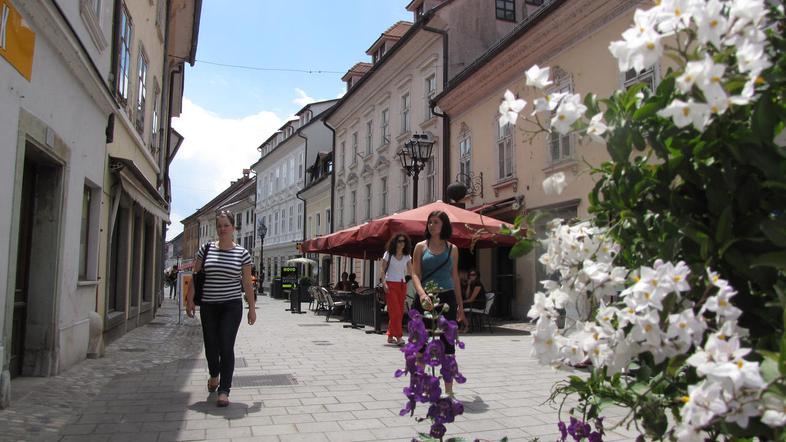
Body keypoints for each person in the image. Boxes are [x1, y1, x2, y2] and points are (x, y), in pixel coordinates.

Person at [186, 210, 256, 408]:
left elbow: (247, 283)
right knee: (211, 345)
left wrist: (251, 308)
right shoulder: (206, 249)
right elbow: (196, 276)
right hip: (208, 305)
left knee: (226, 344)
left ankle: (224, 390)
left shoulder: (242, 253)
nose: (222, 229)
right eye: (219, 226)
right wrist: (189, 300)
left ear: (233, 228)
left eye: (226, 225)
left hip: (231, 306)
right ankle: (214, 374)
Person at [412, 210, 465, 396]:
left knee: (448, 345)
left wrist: (460, 305)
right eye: (430, 222)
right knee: (421, 344)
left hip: (447, 299)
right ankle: (421, 386)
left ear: (444, 225)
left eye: (436, 222)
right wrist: (422, 294)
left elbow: (454, 277)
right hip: (425, 299)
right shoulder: (420, 247)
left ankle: (449, 391)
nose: (431, 225)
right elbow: (415, 274)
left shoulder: (453, 249)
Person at [379, 233, 413, 345]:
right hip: (390, 284)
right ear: (395, 242)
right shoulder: (388, 254)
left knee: (399, 312)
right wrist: (384, 283)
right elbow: (382, 269)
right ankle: (399, 337)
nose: (402, 243)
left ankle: (390, 335)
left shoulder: (407, 256)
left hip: (402, 285)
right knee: (396, 312)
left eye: (404, 241)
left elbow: (411, 271)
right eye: (399, 241)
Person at [461, 269, 486, 333]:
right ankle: (463, 326)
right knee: (458, 306)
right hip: (473, 303)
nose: (471, 276)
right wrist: (468, 285)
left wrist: (460, 302)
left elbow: (471, 299)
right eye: (470, 275)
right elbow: (467, 296)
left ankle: (467, 326)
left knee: (460, 306)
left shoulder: (478, 284)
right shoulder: (471, 285)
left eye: (473, 275)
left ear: (477, 276)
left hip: (479, 304)